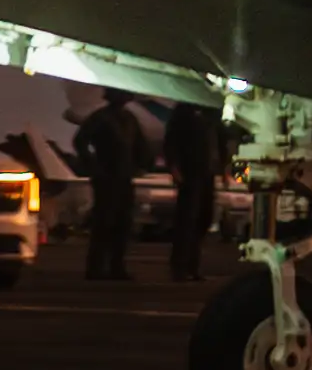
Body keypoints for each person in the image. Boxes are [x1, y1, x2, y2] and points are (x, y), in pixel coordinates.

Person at [70, 89, 158, 283]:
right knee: (104, 222)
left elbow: (140, 145)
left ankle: (116, 266)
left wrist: (142, 164)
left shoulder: (128, 119)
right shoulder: (102, 118)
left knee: (122, 224)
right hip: (106, 177)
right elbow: (80, 141)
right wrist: (94, 166)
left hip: (123, 177)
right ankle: (96, 268)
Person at [163, 88, 233, 280]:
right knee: (187, 220)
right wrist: (174, 168)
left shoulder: (211, 112)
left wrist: (224, 169)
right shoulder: (183, 111)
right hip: (190, 172)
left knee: (203, 218)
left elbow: (220, 141)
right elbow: (171, 141)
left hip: (207, 173)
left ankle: (192, 266)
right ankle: (179, 268)